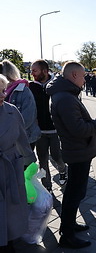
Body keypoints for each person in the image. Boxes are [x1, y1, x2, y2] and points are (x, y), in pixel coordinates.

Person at [46, 61, 96, 248]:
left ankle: (68, 225)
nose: (84, 79)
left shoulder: (65, 95)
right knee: (74, 193)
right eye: (82, 76)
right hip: (77, 151)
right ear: (73, 76)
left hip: (78, 150)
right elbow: (78, 129)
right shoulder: (65, 97)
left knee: (75, 191)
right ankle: (67, 235)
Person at [0, 74, 37, 252]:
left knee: (10, 211)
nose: (2, 95)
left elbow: (22, 139)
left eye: (2, 91)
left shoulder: (12, 110)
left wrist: (31, 163)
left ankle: (10, 241)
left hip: (10, 168)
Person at [29, 60, 67, 193]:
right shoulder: (31, 87)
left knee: (57, 156)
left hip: (55, 130)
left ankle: (63, 170)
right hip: (40, 132)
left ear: (44, 71)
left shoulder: (56, 85)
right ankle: (47, 188)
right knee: (42, 160)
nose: (31, 73)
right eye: (31, 70)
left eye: (34, 70)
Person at [0, 59, 41, 150]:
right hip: (6, 139)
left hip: (25, 137)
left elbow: (28, 117)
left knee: (24, 163)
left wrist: (9, 132)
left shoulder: (23, 90)